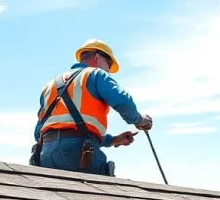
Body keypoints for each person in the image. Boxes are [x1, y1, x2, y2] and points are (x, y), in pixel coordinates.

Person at [32, 39, 153, 176]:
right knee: (99, 194)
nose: (109, 71)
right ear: (98, 57)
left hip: (47, 154)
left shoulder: (50, 85)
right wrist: (140, 120)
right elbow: (123, 101)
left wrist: (114, 140)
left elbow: (38, 133)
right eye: (109, 64)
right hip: (80, 153)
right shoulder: (95, 74)